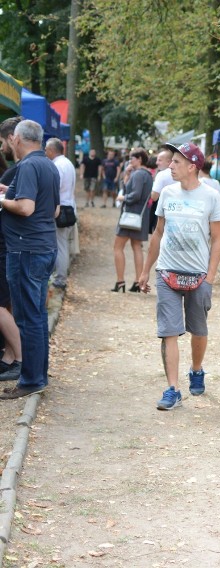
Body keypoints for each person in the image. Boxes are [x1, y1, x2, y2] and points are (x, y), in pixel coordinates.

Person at [138, 142, 220, 410]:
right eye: (171, 161)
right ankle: (172, 389)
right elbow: (158, 233)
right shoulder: (167, 193)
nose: (170, 166)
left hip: (198, 275)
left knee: (198, 329)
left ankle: (196, 369)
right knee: (169, 332)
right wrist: (145, 270)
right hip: (167, 272)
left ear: (192, 166)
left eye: (176, 162)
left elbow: (218, 239)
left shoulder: (211, 196)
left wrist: (209, 277)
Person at [0, 120, 59, 399]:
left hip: (26, 250)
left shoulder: (26, 166)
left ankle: (32, 380)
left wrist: (1, 200)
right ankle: (38, 376)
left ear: (18, 139)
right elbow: (55, 210)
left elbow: (25, 207)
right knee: (36, 317)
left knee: (28, 318)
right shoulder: (48, 164)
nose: (8, 143)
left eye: (10, 140)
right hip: (43, 246)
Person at [0, 117, 23, 382]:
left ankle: (19, 358)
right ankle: (11, 356)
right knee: (7, 304)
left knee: (2, 305)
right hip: (12, 245)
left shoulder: (19, 170)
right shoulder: (24, 168)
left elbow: (26, 207)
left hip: (7, 245)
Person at [112, 148, 153, 293]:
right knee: (137, 247)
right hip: (141, 216)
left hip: (130, 215)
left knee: (118, 247)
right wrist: (126, 176)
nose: (130, 160)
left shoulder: (139, 174)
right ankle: (138, 282)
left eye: (132, 158)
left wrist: (123, 198)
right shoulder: (147, 175)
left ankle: (120, 281)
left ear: (140, 159)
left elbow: (134, 195)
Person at [44, 138, 77, 291]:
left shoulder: (57, 166)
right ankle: (61, 275)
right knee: (63, 244)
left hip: (61, 209)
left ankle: (60, 278)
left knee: (60, 245)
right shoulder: (68, 163)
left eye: (46, 150)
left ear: (51, 150)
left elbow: (54, 189)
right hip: (69, 207)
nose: (45, 152)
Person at [149, 148, 175, 233]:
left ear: (168, 161)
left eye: (159, 160)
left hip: (163, 211)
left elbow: (154, 197)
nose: (156, 163)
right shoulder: (181, 173)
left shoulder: (162, 174)